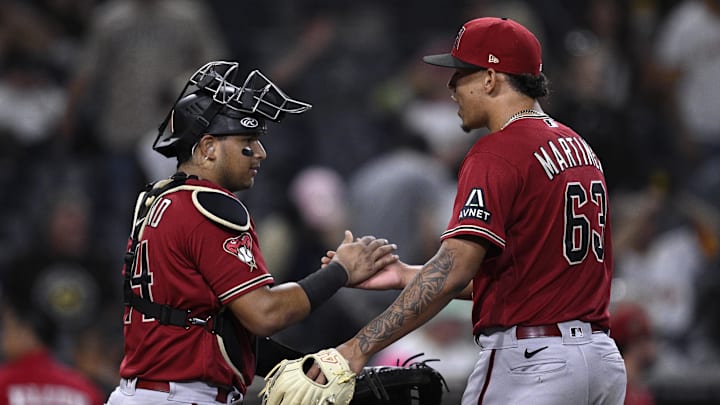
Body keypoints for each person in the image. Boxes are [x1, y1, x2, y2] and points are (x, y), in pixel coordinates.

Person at [326, 17, 627, 404]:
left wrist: (357, 348)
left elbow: (454, 268)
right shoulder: (579, 147)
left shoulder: (497, 151)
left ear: (490, 78)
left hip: (533, 366)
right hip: (600, 363)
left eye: (460, 74)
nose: (450, 87)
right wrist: (405, 275)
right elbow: (527, 279)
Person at [105, 60, 397, 405]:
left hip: (145, 392)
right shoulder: (211, 205)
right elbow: (265, 314)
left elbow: (218, 332)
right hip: (184, 396)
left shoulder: (158, 198)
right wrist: (340, 271)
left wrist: (317, 367)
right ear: (208, 147)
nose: (260, 152)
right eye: (247, 139)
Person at [0, 265, 106, 405]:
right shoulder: (85, 389)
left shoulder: (4, 384)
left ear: (27, 334)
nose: (3, 337)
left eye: (8, 328)